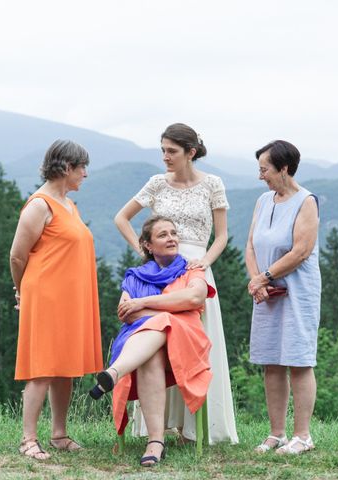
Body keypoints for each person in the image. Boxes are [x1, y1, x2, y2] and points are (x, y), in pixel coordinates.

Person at [114, 123, 238, 444]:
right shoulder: (156, 183)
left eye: (172, 151)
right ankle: (160, 426)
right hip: (161, 271)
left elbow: (222, 235)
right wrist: (144, 254)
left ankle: (197, 430)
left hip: (196, 269)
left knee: (198, 346)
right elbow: (121, 218)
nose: (165, 157)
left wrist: (206, 261)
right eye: (163, 150)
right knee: (159, 342)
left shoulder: (213, 184)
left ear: (190, 153)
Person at [90, 215, 215, 466]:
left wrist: (144, 303)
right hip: (143, 348)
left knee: (161, 323)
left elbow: (194, 299)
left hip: (184, 343)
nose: (171, 238)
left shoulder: (193, 269)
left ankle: (114, 373)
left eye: (173, 233)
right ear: (148, 245)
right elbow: (126, 312)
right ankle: (155, 442)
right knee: (152, 351)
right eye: (163, 235)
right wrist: (169, 308)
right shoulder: (136, 276)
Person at [10, 139, 103, 460]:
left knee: (65, 366)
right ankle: (28, 439)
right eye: (82, 168)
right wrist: (21, 290)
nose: (85, 174)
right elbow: (17, 256)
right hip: (46, 295)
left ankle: (59, 434)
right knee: (43, 365)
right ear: (65, 168)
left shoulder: (68, 203)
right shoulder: (40, 205)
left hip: (70, 297)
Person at [245, 140, 321, 455]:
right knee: (270, 361)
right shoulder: (263, 200)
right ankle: (276, 433)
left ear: (284, 169)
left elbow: (301, 251)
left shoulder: (306, 201)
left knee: (298, 360)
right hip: (266, 293)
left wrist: (266, 276)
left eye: (265, 169)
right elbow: (250, 244)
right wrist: (256, 280)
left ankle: (302, 435)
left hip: (297, 292)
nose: (261, 175)